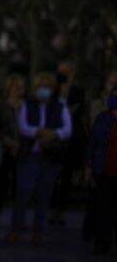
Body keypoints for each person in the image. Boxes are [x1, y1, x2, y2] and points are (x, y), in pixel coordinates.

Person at [7, 72, 72, 245]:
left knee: (44, 195)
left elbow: (67, 129)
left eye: (47, 86)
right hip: (30, 154)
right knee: (23, 192)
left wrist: (53, 134)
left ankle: (38, 231)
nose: (44, 90)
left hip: (50, 156)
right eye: (41, 86)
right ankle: (15, 228)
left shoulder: (60, 106)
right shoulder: (27, 105)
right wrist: (38, 132)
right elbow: (23, 126)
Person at [50, 61, 87, 226]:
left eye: (66, 72)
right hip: (54, 138)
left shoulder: (78, 92)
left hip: (71, 140)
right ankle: (51, 208)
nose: (63, 75)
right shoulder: (52, 90)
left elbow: (78, 113)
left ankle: (61, 210)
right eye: (60, 72)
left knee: (67, 176)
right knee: (53, 175)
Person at [0, 72, 23, 229]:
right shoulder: (1, 106)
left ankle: (18, 219)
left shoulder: (24, 106)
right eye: (12, 87)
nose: (15, 90)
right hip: (4, 148)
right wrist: (6, 140)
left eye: (18, 87)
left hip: (22, 149)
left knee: (20, 186)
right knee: (1, 184)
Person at [86, 80, 117, 255]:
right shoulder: (103, 118)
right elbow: (93, 142)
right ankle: (102, 241)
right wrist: (89, 165)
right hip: (104, 169)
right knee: (103, 207)